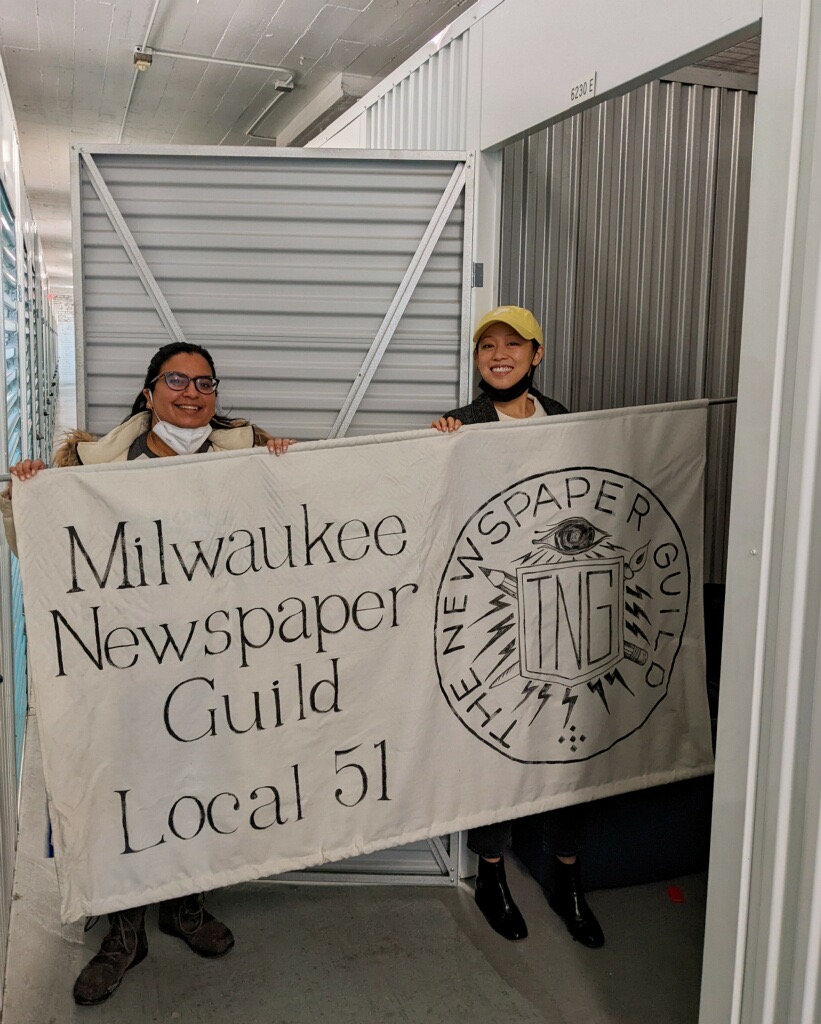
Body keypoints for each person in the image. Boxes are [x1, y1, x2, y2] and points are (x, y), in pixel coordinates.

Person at [1, 341, 296, 1006]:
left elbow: (287, 538)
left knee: (197, 783)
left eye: (204, 383)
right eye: (176, 381)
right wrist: (28, 500)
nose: (191, 394)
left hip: (210, 663)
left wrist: (288, 471)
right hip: (122, 671)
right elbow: (47, 559)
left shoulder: (244, 455)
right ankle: (122, 930)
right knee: (124, 790)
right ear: (148, 392)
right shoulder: (91, 467)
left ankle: (186, 908)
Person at [431, 305, 604, 949]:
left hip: (565, 609)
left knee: (570, 741)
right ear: (477, 362)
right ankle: (492, 875)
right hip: (492, 617)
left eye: (512, 345)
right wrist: (439, 450)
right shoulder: (461, 426)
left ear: (536, 354)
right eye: (486, 347)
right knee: (495, 747)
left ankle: (567, 876)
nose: (498, 355)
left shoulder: (568, 421)